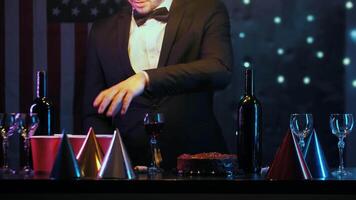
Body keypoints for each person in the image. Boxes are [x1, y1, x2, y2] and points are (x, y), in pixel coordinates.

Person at [82, 0, 233, 169]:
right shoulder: (101, 31)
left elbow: (220, 70)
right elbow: (94, 113)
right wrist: (113, 162)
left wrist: (146, 78)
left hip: (198, 166)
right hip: (130, 170)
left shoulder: (207, 10)